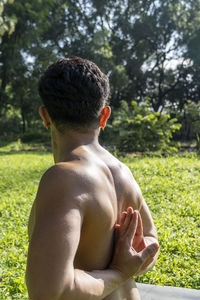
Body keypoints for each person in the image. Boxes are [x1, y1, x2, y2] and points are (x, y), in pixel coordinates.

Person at [26, 56, 159, 300]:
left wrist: (119, 271)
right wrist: (131, 261)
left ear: (45, 116)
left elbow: (49, 292)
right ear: (104, 115)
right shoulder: (123, 172)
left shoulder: (64, 178)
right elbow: (150, 243)